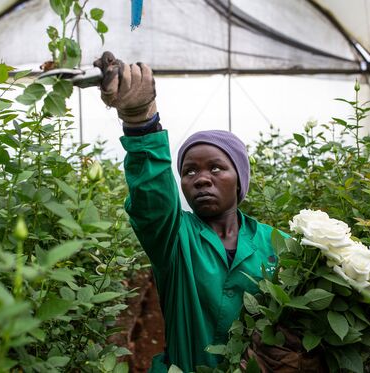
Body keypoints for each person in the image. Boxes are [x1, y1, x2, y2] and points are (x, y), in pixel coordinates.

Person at [94, 52, 286, 373]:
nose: (201, 179)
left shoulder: (277, 244)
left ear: (240, 178)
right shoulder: (175, 238)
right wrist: (142, 122)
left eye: (216, 167)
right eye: (189, 171)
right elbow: (153, 199)